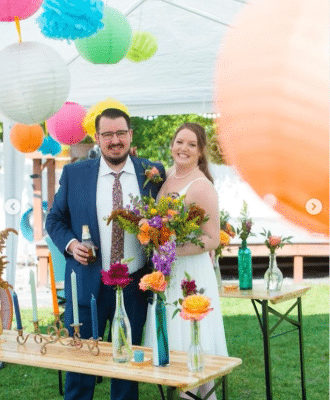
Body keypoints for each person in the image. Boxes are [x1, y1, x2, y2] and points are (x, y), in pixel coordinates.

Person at [46, 108, 166, 400]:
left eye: (121, 133)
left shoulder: (152, 173)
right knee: (82, 363)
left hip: (135, 285)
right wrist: (72, 245)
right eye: (108, 134)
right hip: (86, 283)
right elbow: (54, 220)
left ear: (130, 135)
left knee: (127, 367)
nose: (115, 140)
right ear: (97, 138)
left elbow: (167, 218)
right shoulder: (75, 174)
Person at [144, 122, 228, 400]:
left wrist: (171, 248)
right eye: (180, 142)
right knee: (177, 352)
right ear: (171, 145)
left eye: (192, 144)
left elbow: (212, 239)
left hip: (190, 276)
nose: (184, 148)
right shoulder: (166, 177)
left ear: (201, 151)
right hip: (166, 273)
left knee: (195, 351)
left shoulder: (201, 186)